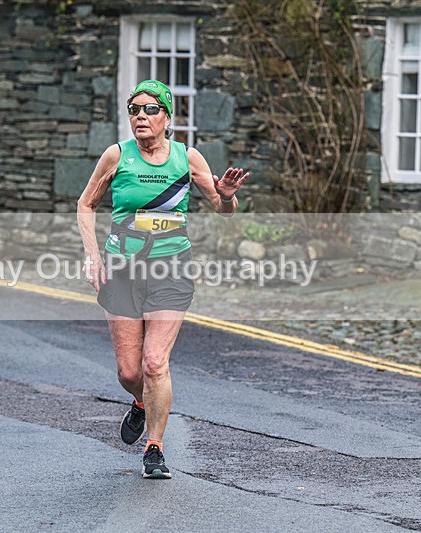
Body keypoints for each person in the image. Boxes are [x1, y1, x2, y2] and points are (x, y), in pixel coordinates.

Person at [77, 80, 249, 479]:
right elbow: (86, 203)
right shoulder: (116, 156)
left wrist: (225, 195)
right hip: (121, 270)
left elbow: (225, 208)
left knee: (155, 363)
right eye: (133, 109)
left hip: (170, 269)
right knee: (130, 373)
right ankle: (141, 403)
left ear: (167, 117)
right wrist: (91, 256)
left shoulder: (186, 158)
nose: (140, 116)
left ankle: (154, 447)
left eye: (150, 109)